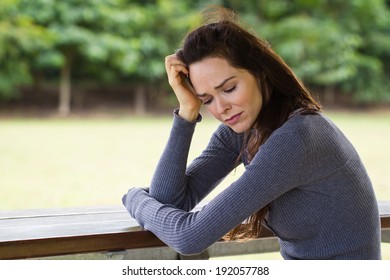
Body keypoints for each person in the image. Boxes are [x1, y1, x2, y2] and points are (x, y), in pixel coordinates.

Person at [122, 8, 381, 260]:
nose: (221, 108)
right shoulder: (242, 129)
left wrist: (134, 197)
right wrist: (188, 112)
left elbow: (190, 237)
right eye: (207, 99)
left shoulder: (298, 137)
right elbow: (169, 201)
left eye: (230, 88)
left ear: (260, 72)